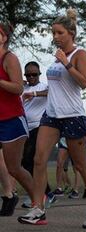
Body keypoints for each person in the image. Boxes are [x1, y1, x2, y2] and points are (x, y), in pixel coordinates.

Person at [18, 10, 86, 228]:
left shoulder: (79, 54)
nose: (55, 36)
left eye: (59, 32)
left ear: (70, 33)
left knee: (81, 165)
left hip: (72, 115)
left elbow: (83, 83)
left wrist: (66, 63)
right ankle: (38, 208)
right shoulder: (56, 57)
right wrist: (35, 93)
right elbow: (54, 88)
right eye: (53, 32)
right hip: (52, 115)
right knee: (38, 160)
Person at [0, 22, 36, 217]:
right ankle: (8, 196)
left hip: (12, 119)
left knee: (14, 168)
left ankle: (38, 203)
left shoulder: (9, 58)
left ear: (3, 37)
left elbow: (18, 88)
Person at [20, 62, 49, 205]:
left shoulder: (44, 86)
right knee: (24, 162)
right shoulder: (22, 88)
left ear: (39, 74)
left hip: (40, 126)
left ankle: (41, 195)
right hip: (24, 128)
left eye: (34, 74)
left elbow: (52, 93)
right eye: (28, 75)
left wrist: (35, 94)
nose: (31, 77)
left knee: (31, 160)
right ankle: (43, 193)